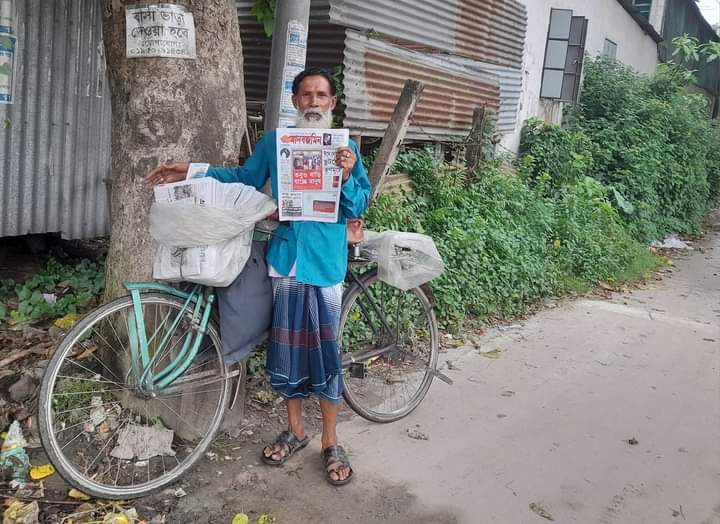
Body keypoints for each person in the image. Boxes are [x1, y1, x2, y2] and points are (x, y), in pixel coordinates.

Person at [145, 68, 370, 486]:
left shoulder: (347, 149)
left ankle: (332, 441)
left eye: (322, 96)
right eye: (307, 95)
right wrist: (192, 171)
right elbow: (244, 178)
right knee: (284, 350)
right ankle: (296, 431)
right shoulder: (276, 144)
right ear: (296, 101)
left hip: (324, 264)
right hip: (285, 260)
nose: (314, 103)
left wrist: (346, 174)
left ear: (333, 104)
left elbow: (358, 205)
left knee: (325, 354)